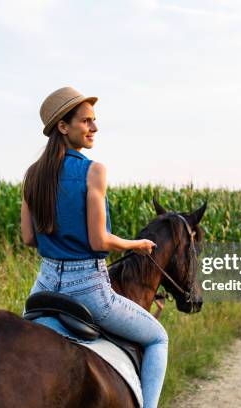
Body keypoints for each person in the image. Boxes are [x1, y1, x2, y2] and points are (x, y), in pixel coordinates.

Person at [20, 86, 167, 408]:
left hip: (43, 285)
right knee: (158, 338)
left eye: (94, 121)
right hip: (87, 287)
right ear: (63, 126)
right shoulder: (93, 170)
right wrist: (137, 244)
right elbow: (99, 240)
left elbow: (29, 238)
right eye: (86, 121)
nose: (94, 128)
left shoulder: (32, 175)